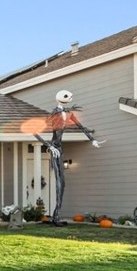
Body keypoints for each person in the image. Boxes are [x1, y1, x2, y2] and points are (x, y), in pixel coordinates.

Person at [34, 90, 103, 226]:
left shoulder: (69, 114)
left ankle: (56, 216)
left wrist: (92, 140)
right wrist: (49, 146)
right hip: (54, 148)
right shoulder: (55, 114)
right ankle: (56, 218)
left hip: (60, 148)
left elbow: (81, 127)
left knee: (62, 183)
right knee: (60, 182)